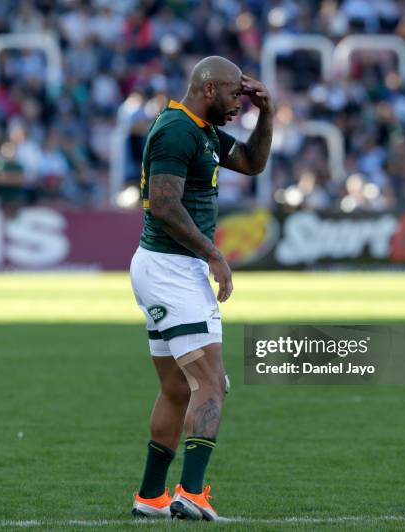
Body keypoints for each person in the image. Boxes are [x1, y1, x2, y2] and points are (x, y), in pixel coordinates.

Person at [129, 56, 273, 521]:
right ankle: (191, 493)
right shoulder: (178, 130)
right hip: (173, 269)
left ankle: (150, 497)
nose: (239, 105)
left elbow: (252, 162)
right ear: (209, 89)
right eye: (235, 95)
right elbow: (164, 205)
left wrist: (267, 112)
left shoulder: (202, 130)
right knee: (210, 383)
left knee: (176, 387)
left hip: (164, 268)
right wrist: (214, 253)